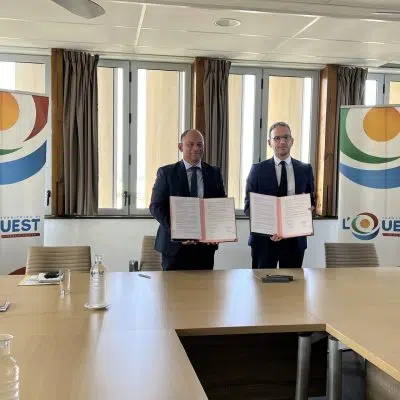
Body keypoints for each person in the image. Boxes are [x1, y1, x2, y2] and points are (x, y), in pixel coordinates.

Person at [150, 129, 226, 271]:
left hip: (205, 248)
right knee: (172, 286)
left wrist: (217, 231)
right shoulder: (166, 173)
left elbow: (220, 206)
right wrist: (177, 231)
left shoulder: (214, 173)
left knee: (205, 285)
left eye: (199, 144)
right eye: (190, 144)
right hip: (174, 248)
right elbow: (156, 207)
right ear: (180, 147)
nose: (196, 148)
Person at [244, 121, 315, 269]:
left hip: (294, 241)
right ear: (269, 142)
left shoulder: (305, 169)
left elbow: (311, 201)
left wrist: (309, 208)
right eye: (277, 138)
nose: (282, 142)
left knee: (293, 283)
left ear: (292, 141)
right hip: (264, 242)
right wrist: (268, 228)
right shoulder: (257, 170)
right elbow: (249, 206)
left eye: (286, 137)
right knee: (261, 283)